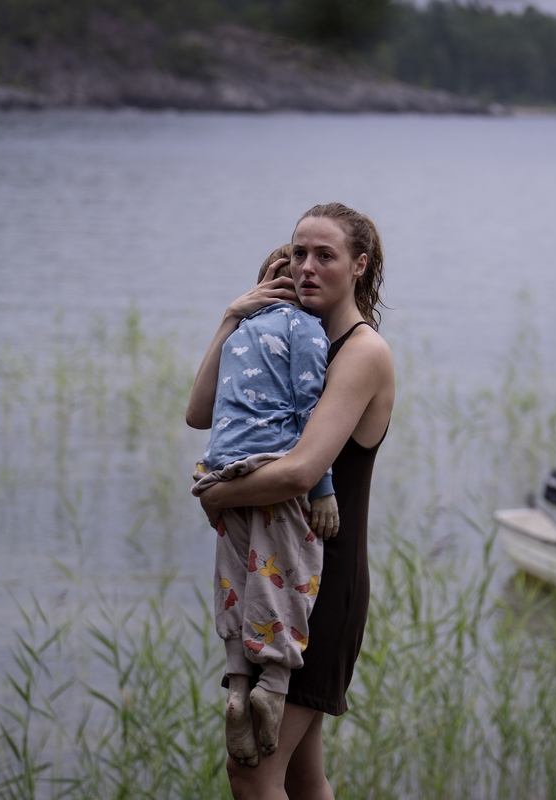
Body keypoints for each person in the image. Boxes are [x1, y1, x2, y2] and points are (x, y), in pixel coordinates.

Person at [187, 203, 394, 800]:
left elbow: (302, 471)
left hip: (319, 587)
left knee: (251, 776)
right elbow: (200, 413)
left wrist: (218, 493)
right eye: (298, 252)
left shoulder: (361, 352)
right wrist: (233, 318)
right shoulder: (280, 337)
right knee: (303, 777)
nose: (306, 266)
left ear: (358, 266)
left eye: (324, 255)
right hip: (273, 574)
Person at [190, 244, 340, 767]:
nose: (308, 273)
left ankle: (236, 682)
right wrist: (323, 489)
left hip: (221, 466)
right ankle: (271, 685)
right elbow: (309, 410)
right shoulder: (307, 330)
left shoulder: (240, 335)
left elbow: (200, 414)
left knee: (235, 575)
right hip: (272, 469)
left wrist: (233, 314)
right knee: (287, 574)